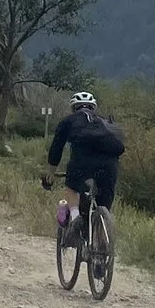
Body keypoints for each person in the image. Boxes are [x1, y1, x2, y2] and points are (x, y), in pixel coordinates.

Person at [41, 90, 125, 243]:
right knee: (103, 205)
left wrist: (51, 173)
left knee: (72, 188)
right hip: (110, 165)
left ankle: (75, 218)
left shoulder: (69, 121)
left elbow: (56, 148)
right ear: (93, 108)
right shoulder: (106, 123)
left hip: (83, 161)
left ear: (74, 108)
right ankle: (102, 248)